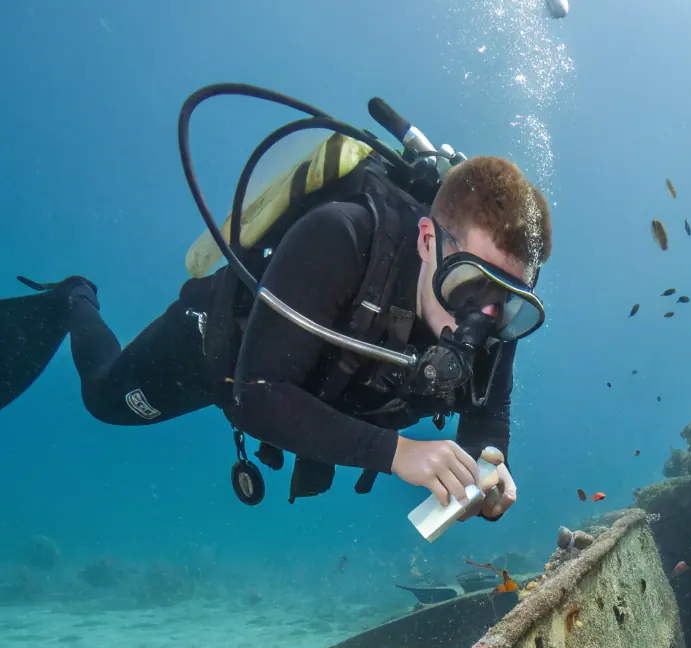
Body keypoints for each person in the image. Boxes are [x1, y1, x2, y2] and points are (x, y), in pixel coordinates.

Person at [0, 153, 551, 515]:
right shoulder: (340, 236)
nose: (483, 317)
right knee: (103, 399)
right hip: (217, 353)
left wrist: (488, 466)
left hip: (320, 398)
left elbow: (488, 412)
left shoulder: (495, 313)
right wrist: (396, 452)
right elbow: (260, 394)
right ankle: (75, 297)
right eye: (471, 283)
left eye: (507, 302)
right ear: (428, 240)